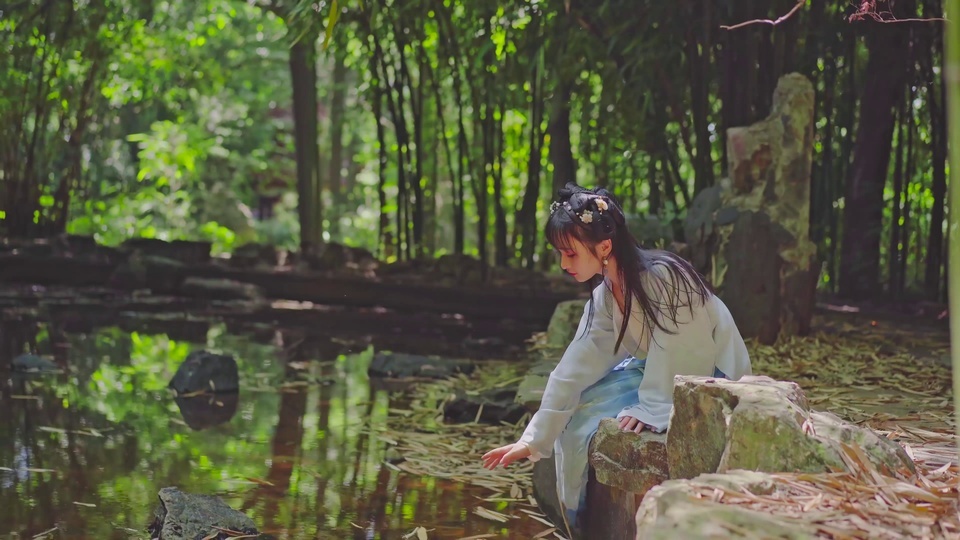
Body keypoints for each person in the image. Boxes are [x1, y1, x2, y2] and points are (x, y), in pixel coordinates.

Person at [481, 183, 752, 537]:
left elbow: (687, 350)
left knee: (613, 412)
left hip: (709, 374)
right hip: (655, 370)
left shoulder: (666, 277)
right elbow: (576, 365)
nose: (563, 264)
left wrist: (653, 409)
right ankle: (578, 527)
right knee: (575, 421)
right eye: (560, 254)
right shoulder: (605, 296)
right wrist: (533, 438)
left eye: (571, 254)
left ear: (604, 246)